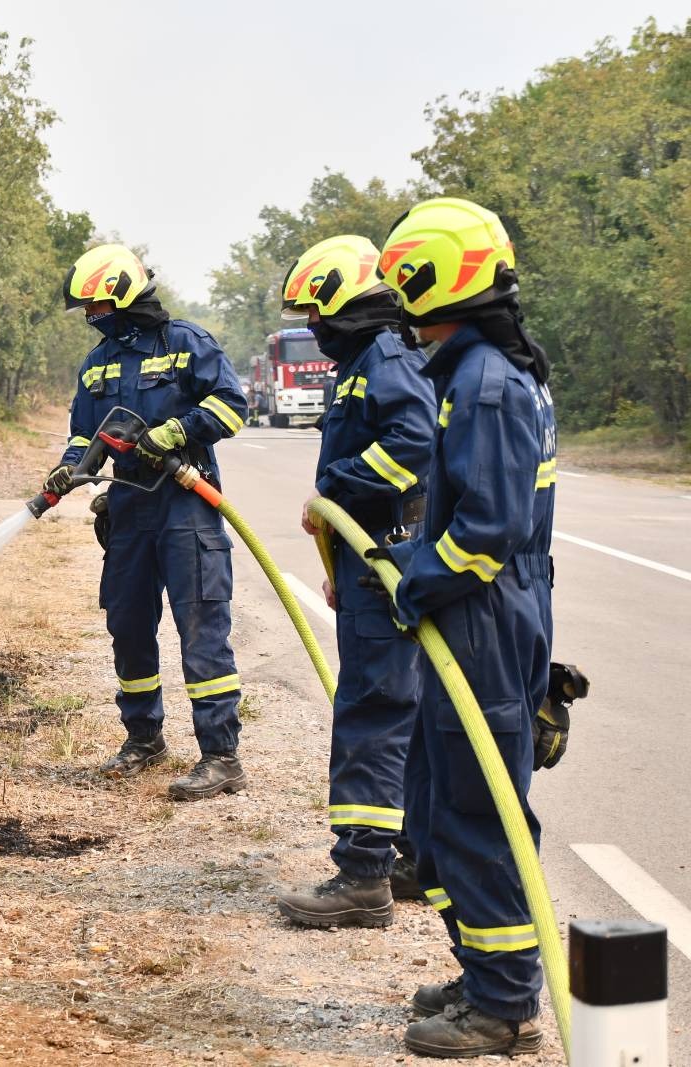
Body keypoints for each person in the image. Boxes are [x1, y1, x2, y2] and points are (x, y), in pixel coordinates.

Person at [372, 198, 557, 1057]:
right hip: (483, 615)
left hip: (480, 620)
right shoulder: (478, 369)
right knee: (446, 806)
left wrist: (415, 578)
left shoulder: (483, 383)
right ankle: (485, 972)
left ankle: (505, 1003)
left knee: (478, 812)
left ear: (431, 278)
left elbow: (487, 531)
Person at [43, 243, 250, 799]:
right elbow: (85, 436)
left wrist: (178, 432)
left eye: (97, 308)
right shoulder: (96, 364)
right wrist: (69, 470)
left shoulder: (186, 343)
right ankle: (143, 739)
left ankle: (221, 756)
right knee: (128, 625)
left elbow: (233, 404)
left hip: (186, 506)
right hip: (128, 508)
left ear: (123, 296)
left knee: (201, 629)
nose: (92, 319)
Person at [271, 236, 435, 929]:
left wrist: (334, 490)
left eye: (317, 313)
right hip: (370, 565)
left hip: (388, 564)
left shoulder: (386, 363)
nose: (312, 328)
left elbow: (413, 445)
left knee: (371, 712)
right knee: (407, 713)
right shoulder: (362, 365)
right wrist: (339, 562)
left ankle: (364, 873)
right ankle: (413, 857)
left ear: (348, 302)